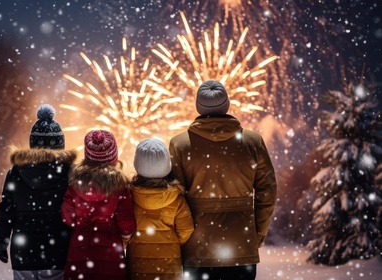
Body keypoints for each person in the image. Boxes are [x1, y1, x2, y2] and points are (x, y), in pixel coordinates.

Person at [168, 80, 277, 280]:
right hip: (241, 246)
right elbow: (267, 191)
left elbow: (175, 198)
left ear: (198, 107)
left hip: (197, 249)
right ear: (226, 105)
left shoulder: (180, 144)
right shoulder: (253, 142)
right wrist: (258, 233)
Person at [0, 104, 76, 280]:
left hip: (23, 250)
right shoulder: (69, 173)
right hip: (57, 250)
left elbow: (6, 207)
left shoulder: (15, 172)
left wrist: (2, 238)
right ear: (60, 143)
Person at [61, 129, 136, 280]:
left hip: (80, 249)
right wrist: (125, 237)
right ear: (113, 156)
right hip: (110, 252)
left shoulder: (74, 184)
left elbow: (67, 218)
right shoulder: (120, 186)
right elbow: (126, 225)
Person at [127, 138, 194, 280]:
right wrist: (172, 242)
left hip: (138, 266)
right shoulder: (176, 199)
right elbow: (186, 229)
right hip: (169, 266)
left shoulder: (130, 197)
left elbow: (125, 228)